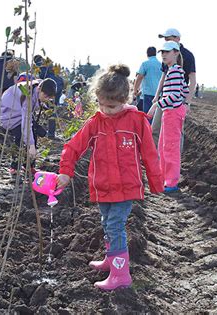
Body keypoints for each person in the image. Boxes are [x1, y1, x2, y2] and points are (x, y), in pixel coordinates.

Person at [56, 65, 163, 291]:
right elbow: (73, 147)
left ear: (125, 99)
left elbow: (150, 154)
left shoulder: (136, 121)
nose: (106, 110)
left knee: (115, 226)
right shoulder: (96, 122)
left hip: (126, 187)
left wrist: (155, 183)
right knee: (107, 223)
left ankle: (121, 274)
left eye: (111, 106)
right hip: (102, 185)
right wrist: (65, 171)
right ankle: (111, 259)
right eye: (101, 104)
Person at [148, 41, 189, 193]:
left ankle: (171, 182)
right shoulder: (175, 70)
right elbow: (184, 91)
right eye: (162, 52)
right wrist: (183, 105)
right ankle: (164, 178)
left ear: (176, 53)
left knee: (170, 148)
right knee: (163, 146)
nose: (163, 54)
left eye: (167, 52)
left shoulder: (175, 71)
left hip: (172, 112)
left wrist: (156, 104)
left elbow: (174, 95)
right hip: (170, 112)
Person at [0, 73, 57, 174]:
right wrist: (31, 145)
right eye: (45, 96)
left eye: (49, 98)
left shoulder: (39, 85)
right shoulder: (27, 95)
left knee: (34, 133)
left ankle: (29, 166)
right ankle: (14, 166)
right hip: (10, 115)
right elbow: (25, 122)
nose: (47, 99)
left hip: (20, 112)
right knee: (20, 137)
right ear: (39, 89)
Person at [152, 28, 196, 145]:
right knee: (155, 129)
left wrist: (187, 102)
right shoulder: (166, 56)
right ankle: (157, 160)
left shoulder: (188, 55)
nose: (165, 40)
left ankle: (175, 160)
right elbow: (163, 76)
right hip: (165, 97)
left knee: (176, 132)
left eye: (168, 38)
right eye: (164, 39)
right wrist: (157, 96)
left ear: (178, 39)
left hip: (177, 100)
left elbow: (192, 80)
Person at [133, 47, 162, 114]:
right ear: (155, 53)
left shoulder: (145, 64)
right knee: (155, 116)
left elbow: (139, 77)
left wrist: (135, 90)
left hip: (148, 93)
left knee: (148, 115)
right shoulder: (161, 65)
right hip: (159, 94)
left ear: (147, 54)